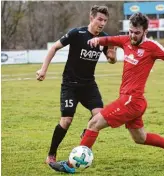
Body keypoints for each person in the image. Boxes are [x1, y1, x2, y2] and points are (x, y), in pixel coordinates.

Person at [49, 12, 164, 173]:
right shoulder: (126, 40)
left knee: (93, 124)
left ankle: (71, 165)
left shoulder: (151, 47)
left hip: (131, 101)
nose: (133, 36)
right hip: (133, 102)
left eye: (137, 33)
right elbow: (109, 39)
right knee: (139, 138)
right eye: (131, 31)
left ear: (145, 32)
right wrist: (97, 39)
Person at [36, 5, 117, 164]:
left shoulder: (104, 38)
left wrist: (112, 56)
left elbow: (111, 58)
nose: (102, 23)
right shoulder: (77, 34)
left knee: (99, 115)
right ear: (91, 18)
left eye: (105, 21)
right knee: (66, 120)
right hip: (70, 84)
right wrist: (43, 69)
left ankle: (86, 133)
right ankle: (51, 154)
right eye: (99, 19)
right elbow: (54, 47)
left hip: (89, 85)